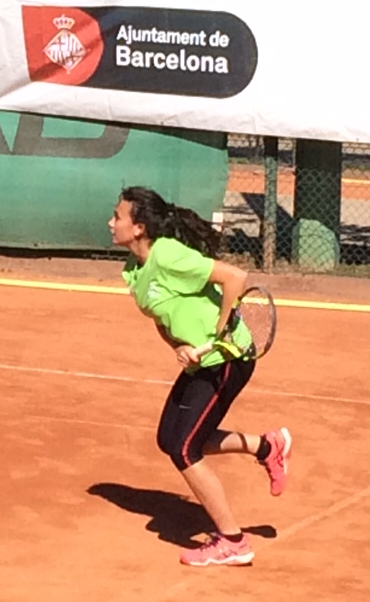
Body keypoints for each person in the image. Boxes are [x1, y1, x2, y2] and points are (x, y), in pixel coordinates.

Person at [109, 185, 292, 567]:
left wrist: (220, 331)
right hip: (200, 362)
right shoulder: (134, 270)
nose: (111, 223)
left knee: (184, 448)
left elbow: (235, 278)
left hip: (227, 358)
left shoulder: (168, 254)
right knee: (169, 438)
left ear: (139, 227)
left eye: (117, 216)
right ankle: (267, 447)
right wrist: (178, 345)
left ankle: (233, 541)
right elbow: (162, 317)